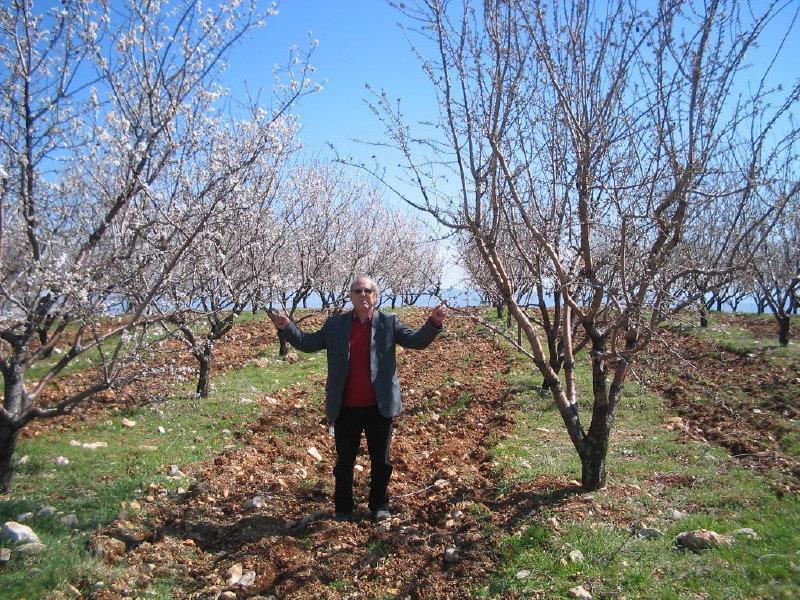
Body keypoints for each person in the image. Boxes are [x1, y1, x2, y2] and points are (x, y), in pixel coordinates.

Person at [269, 276, 447, 522]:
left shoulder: (389, 323)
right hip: (345, 407)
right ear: (351, 296)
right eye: (357, 291)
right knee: (344, 462)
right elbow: (309, 343)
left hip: (379, 407)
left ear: (376, 295)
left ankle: (378, 505)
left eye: (368, 290)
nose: (363, 294)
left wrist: (434, 323)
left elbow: (416, 342)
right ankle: (343, 508)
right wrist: (287, 327)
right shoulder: (336, 325)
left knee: (381, 462)